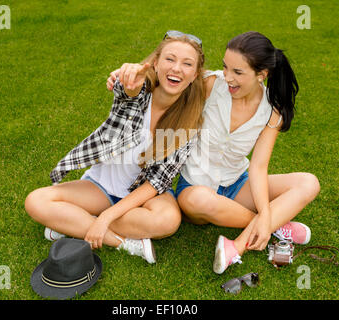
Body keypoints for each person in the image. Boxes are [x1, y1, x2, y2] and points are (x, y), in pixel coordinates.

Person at [107, 31, 320, 273]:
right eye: (226, 67)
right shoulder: (211, 85)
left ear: (262, 75)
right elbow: (169, 76)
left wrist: (263, 208)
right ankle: (273, 224)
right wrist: (128, 73)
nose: (228, 77)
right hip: (196, 190)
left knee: (308, 183)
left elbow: (258, 167)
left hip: (237, 184)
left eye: (238, 72)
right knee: (198, 199)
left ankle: (236, 246)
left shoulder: (272, 110)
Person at [25, 31, 206, 264]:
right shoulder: (140, 92)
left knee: (169, 220)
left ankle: (73, 223)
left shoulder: (189, 122)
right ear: (156, 63)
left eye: (187, 64)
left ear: (195, 74)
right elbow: (127, 93)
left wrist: (107, 216)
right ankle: (121, 242)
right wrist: (128, 80)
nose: (177, 68)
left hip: (142, 194)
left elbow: (156, 182)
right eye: (170, 59)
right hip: (100, 187)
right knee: (36, 200)